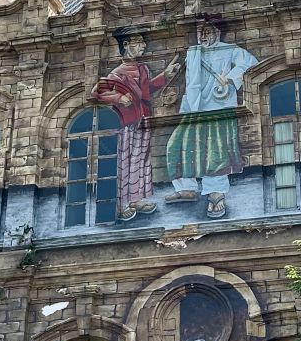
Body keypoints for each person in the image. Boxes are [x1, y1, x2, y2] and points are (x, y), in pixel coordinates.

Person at [165, 20, 258, 219]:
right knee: (177, 145)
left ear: (216, 31)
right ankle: (186, 188)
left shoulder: (229, 49)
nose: (203, 36)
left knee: (215, 153)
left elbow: (250, 61)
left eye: (207, 31)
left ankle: (216, 194)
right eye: (200, 32)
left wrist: (230, 77)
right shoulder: (193, 52)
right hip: (194, 107)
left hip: (219, 106)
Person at [89, 31, 180, 220]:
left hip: (143, 120)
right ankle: (120, 204)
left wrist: (165, 75)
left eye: (143, 42)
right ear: (126, 44)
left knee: (141, 160)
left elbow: (147, 91)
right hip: (126, 124)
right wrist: (118, 97)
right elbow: (96, 92)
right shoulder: (118, 73)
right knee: (126, 161)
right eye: (139, 42)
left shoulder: (142, 68)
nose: (143, 46)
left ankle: (135, 199)